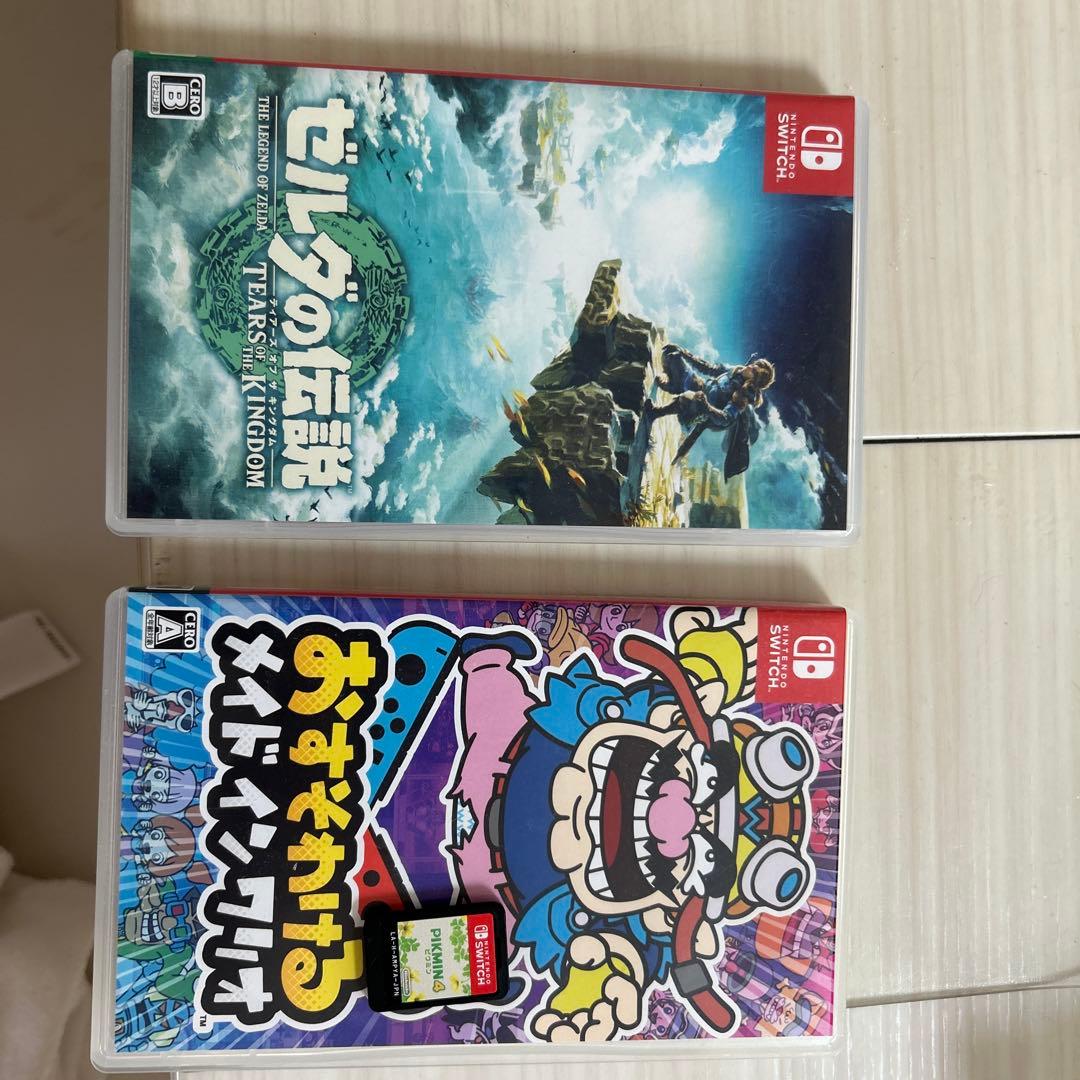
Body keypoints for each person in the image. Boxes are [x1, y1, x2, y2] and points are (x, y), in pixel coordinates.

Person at [646, 345, 776, 478]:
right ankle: (672, 385)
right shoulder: (735, 371)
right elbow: (708, 368)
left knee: (688, 398)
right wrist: (684, 353)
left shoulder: (742, 395)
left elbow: (725, 418)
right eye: (754, 364)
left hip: (699, 412)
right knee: (672, 355)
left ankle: (655, 413)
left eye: (753, 371)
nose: (750, 367)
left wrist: (707, 407)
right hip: (699, 387)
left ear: (753, 380)